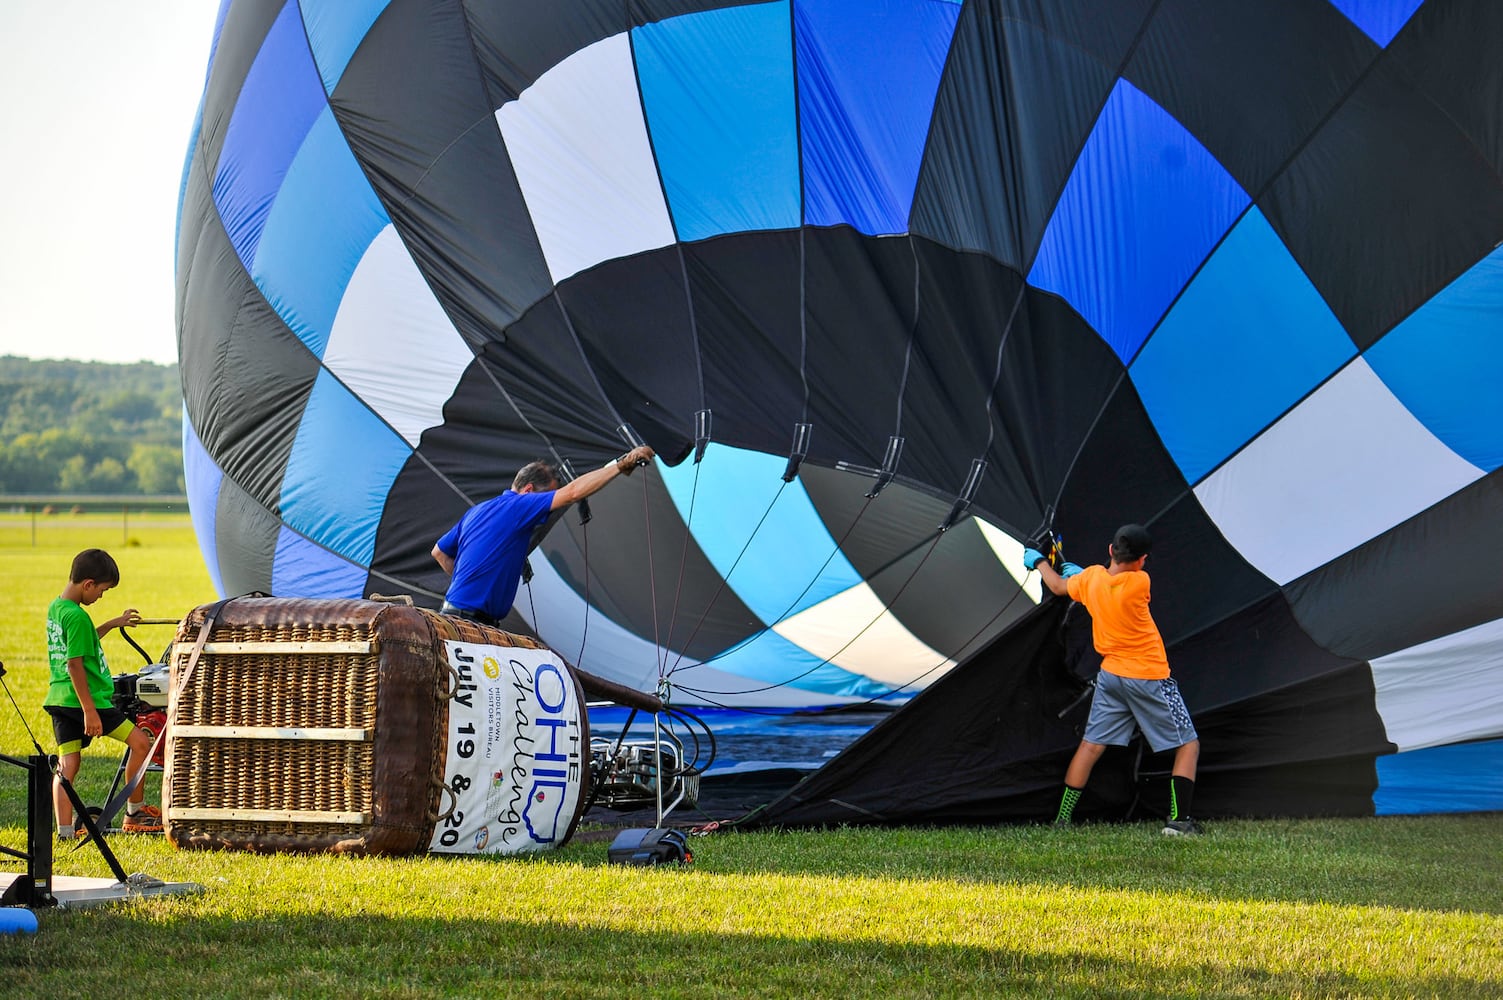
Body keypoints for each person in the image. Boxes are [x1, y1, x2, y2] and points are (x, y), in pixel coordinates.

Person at [1025, 524, 1203, 836]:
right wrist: (1085, 577)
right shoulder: (1140, 581)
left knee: (1091, 747)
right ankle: (1179, 822)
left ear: (1110, 550)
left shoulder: (1091, 579)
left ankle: (1062, 821)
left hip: (1111, 677)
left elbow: (1057, 587)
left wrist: (1040, 561)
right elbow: (1118, 583)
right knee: (1188, 745)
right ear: (1143, 559)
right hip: (1148, 676)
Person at [432, 445, 656, 625]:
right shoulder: (520, 506)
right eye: (546, 498)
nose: (546, 510)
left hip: (451, 615)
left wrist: (470, 582)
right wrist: (621, 464)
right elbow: (572, 493)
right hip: (470, 623)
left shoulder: (477, 510)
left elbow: (439, 552)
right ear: (528, 490)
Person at [44, 548, 163, 839]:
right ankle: (135, 812)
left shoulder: (57, 609)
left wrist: (112, 623)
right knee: (140, 743)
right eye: (102, 590)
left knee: (67, 765)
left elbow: (80, 644)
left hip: (59, 699)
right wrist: (89, 710)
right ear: (88, 584)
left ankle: (64, 831)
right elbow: (75, 665)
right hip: (87, 699)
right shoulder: (78, 617)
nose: (100, 596)